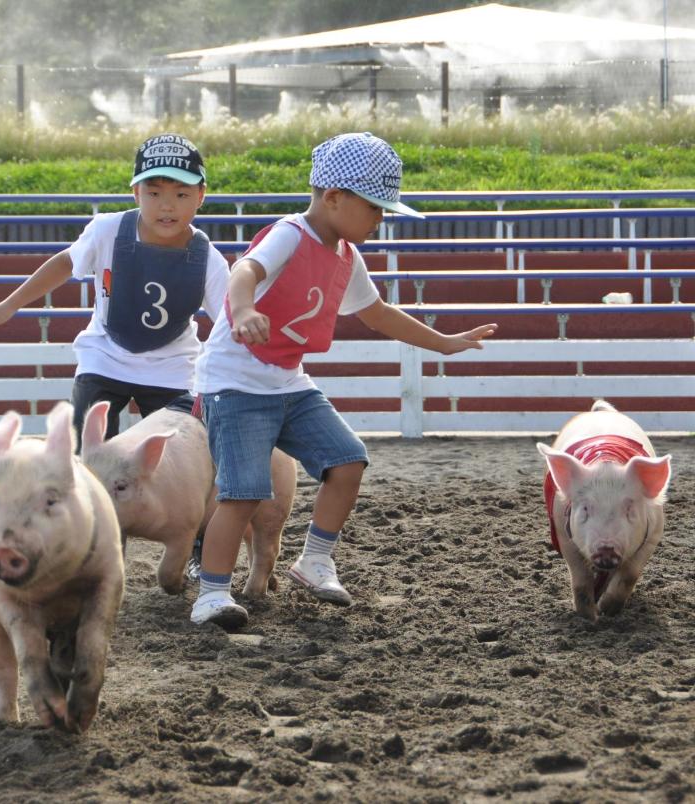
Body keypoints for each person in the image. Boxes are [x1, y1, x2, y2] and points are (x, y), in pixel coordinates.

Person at [190, 132, 498, 629]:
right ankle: (212, 594)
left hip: (287, 381)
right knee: (243, 493)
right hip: (234, 382)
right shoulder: (290, 233)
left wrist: (443, 342)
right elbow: (244, 270)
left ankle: (314, 561)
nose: (380, 221)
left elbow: (376, 313)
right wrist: (243, 308)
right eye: (376, 209)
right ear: (334, 198)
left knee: (347, 459)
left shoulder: (345, 255)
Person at [0, 133, 229, 448]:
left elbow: (230, 319)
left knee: (185, 450)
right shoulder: (107, 230)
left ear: (201, 196)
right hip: (104, 358)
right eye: (154, 192)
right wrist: (9, 305)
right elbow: (66, 262)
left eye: (182, 194)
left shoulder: (208, 259)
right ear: (135, 193)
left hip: (172, 368)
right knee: (85, 447)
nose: (167, 205)